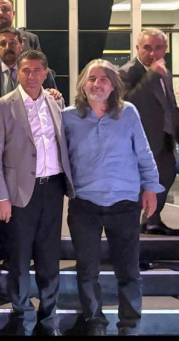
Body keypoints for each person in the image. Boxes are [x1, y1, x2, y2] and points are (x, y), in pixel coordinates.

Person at [63, 60, 162, 336]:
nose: (97, 84)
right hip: (84, 204)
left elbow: (144, 152)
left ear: (113, 85)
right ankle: (95, 322)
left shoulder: (128, 112)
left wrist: (151, 188)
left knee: (128, 271)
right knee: (87, 271)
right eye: (92, 78)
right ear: (83, 84)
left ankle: (129, 325)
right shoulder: (67, 117)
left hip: (124, 204)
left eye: (104, 79)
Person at [0, 50, 74, 336]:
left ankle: (49, 320)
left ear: (46, 73)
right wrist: (0, 197)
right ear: (17, 73)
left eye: (37, 70)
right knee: (19, 259)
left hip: (53, 189)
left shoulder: (56, 103)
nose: (31, 76)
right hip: (18, 194)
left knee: (49, 259)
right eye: (25, 70)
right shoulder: (2, 106)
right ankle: (23, 317)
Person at [119, 29, 179, 236]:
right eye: (147, 47)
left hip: (164, 139)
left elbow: (170, 106)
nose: (152, 53)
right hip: (139, 142)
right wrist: (152, 75)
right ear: (137, 48)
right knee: (138, 188)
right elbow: (128, 103)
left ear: (166, 49)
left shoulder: (164, 72)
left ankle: (152, 221)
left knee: (166, 176)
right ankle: (130, 230)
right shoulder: (127, 72)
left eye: (158, 47)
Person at [0, 27, 59, 100]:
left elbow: (53, 99)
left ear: (21, 46)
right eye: (3, 44)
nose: (7, 47)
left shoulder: (41, 72)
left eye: (12, 43)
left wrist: (53, 93)